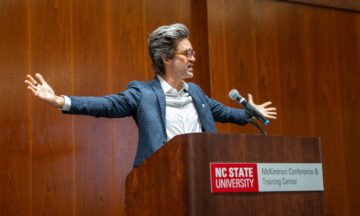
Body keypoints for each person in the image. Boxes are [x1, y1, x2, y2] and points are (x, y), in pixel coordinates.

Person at [25, 23, 277, 167]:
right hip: (160, 177)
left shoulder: (197, 93)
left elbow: (227, 113)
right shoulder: (142, 93)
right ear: (167, 58)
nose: (193, 59)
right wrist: (60, 100)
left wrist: (250, 112)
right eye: (187, 54)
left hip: (205, 176)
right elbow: (106, 105)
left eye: (193, 53)